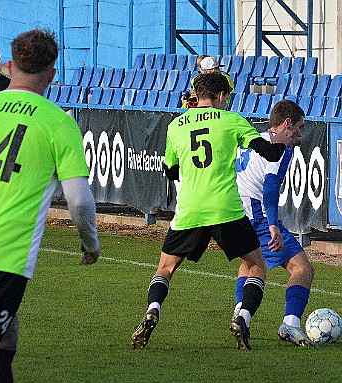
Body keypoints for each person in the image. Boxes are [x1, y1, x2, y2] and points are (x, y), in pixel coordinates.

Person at [0, 29, 100, 383]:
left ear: (9, 67)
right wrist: (90, 242)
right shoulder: (57, 122)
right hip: (2, 251)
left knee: (5, 333)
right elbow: (78, 199)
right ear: (52, 74)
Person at [131, 72, 295, 352]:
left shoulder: (176, 125)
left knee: (165, 268)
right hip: (225, 208)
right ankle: (242, 317)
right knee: (256, 266)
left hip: (190, 210)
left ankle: (152, 309)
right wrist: (283, 139)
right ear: (220, 96)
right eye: (227, 96)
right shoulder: (232, 121)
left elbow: (170, 170)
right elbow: (269, 153)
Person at [233, 99, 316, 347]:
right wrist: (272, 223)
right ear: (287, 123)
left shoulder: (252, 140)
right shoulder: (280, 149)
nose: (300, 134)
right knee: (302, 269)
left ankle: (240, 314)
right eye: (299, 127)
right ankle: (290, 324)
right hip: (257, 215)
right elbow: (270, 187)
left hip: (234, 213)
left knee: (249, 263)